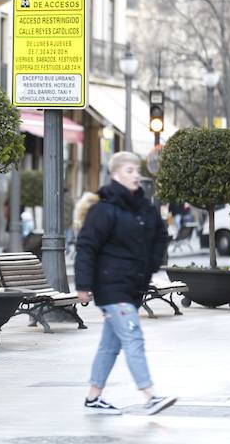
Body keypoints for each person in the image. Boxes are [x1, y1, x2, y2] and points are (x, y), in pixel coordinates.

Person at [73, 151, 175, 416]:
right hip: (111, 285)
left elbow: (160, 237)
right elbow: (86, 246)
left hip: (132, 286)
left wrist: (151, 265)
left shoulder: (145, 208)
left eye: (136, 170)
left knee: (111, 344)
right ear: (115, 174)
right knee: (133, 337)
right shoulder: (104, 210)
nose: (136, 175)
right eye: (129, 170)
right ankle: (150, 395)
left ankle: (93, 398)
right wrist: (83, 285)